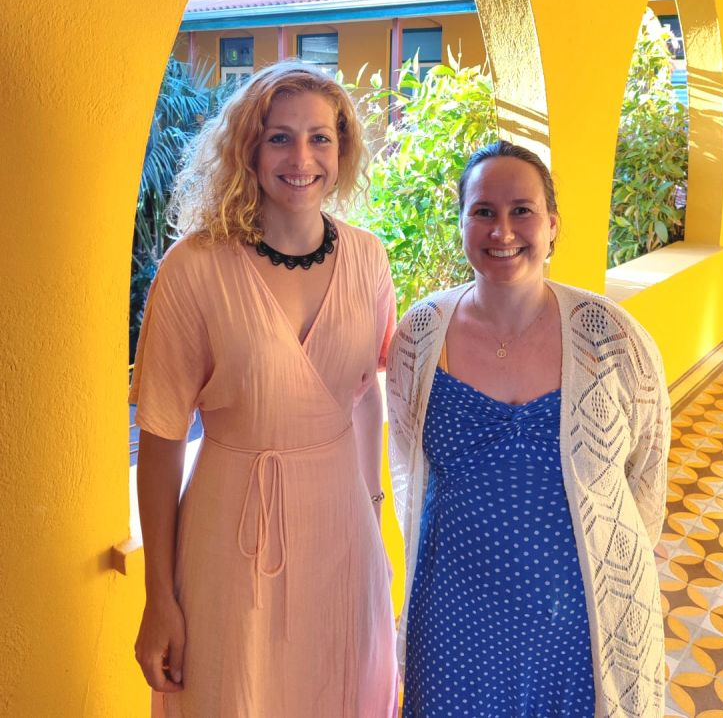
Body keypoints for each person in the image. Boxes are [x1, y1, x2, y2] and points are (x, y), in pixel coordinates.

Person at [130, 61, 397, 717]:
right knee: (231, 694)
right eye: (279, 137)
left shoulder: (369, 258)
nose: (300, 157)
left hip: (344, 531)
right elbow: (162, 438)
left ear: (343, 150)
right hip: (231, 532)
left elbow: (365, 395)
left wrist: (373, 510)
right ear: (248, 148)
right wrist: (158, 596)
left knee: (339, 689)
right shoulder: (193, 269)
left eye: (319, 138)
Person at [387, 139, 669, 718]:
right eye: (483, 211)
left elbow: (647, 467)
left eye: (522, 211)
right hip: (453, 618)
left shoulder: (612, 337)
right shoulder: (419, 335)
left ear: (552, 225)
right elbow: (406, 461)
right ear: (463, 222)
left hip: (578, 622)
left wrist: (614, 576)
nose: (503, 230)